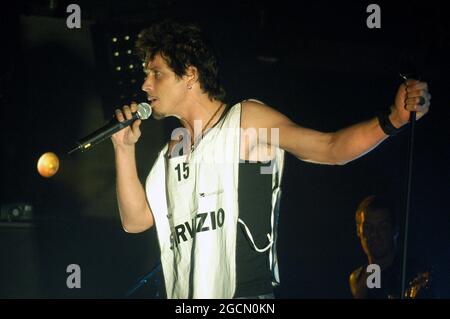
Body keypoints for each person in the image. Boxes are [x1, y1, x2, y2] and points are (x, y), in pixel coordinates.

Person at [111, 19, 431, 299]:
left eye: (156, 73)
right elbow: (136, 220)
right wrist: (124, 150)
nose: (145, 84)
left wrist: (393, 120)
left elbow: (331, 148)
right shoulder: (172, 151)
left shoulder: (245, 120)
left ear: (190, 74)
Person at [349, 195, 433, 299]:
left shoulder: (414, 275)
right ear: (358, 231)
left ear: (395, 230)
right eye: (368, 227)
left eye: (382, 227)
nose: (374, 234)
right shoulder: (356, 279)